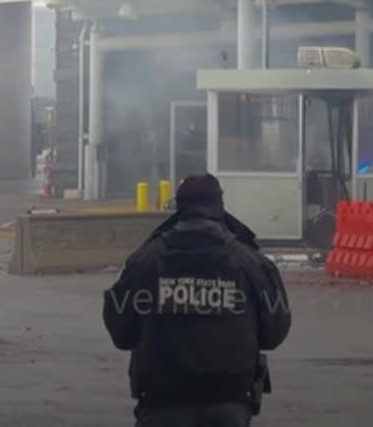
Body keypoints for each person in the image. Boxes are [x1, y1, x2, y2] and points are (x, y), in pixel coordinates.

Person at [104, 174, 292, 427]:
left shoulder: (146, 260)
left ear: (179, 206)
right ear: (219, 206)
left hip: (163, 404)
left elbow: (122, 332)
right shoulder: (250, 262)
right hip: (229, 405)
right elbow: (273, 333)